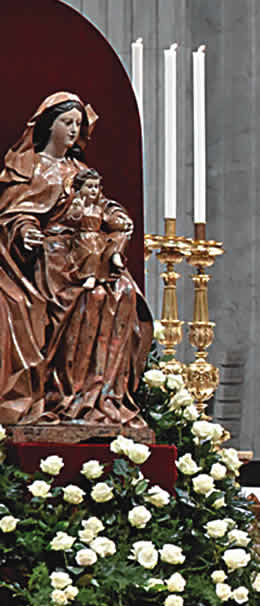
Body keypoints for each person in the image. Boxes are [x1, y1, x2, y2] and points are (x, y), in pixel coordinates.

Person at [0, 92, 151, 425]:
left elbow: (100, 204)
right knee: (85, 298)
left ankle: (98, 396)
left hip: (86, 251)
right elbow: (15, 213)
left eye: (78, 123)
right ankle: (63, 394)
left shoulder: (79, 168)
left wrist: (117, 216)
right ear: (48, 124)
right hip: (50, 257)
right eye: (66, 122)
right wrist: (26, 232)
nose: (72, 130)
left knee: (123, 292)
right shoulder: (29, 167)